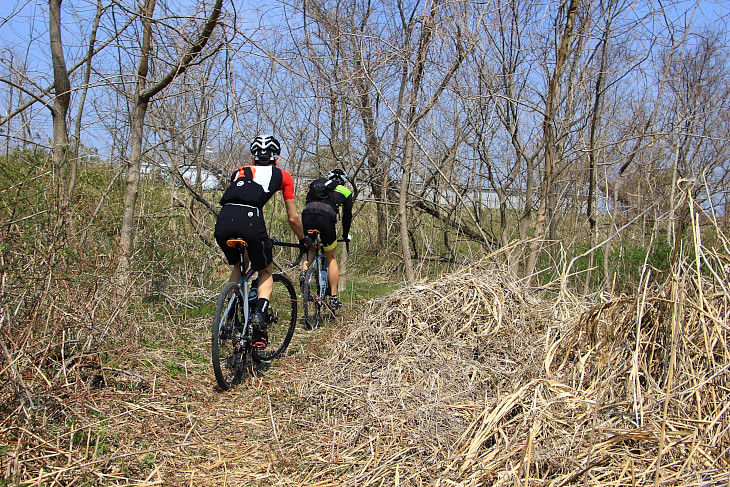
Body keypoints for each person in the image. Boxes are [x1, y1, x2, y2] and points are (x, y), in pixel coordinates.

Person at [214, 135, 312, 348]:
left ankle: (229, 316)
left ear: (252, 156)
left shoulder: (239, 172)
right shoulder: (283, 176)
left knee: (240, 266)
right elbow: (293, 218)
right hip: (251, 219)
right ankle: (259, 312)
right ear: (276, 158)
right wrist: (303, 239)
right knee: (265, 270)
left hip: (223, 221)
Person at [300, 168, 353, 310]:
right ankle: (334, 298)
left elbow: (307, 203)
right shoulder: (345, 191)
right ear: (344, 181)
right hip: (326, 219)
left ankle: (304, 272)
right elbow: (347, 216)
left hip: (307, 215)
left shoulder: (317, 185)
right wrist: (345, 235)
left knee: (310, 247)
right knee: (331, 258)